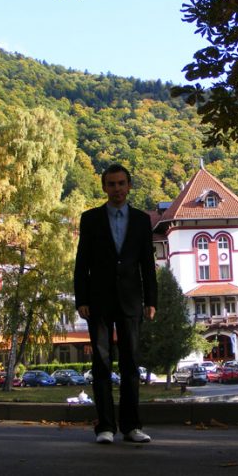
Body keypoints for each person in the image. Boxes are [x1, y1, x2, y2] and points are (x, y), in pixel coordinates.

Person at [74, 163, 158, 445]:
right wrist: (81, 299)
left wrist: (151, 300)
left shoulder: (141, 220)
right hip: (98, 301)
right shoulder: (90, 219)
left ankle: (132, 427)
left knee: (131, 364)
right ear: (104, 187)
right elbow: (82, 262)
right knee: (101, 363)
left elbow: (147, 263)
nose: (117, 189)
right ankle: (105, 427)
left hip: (131, 301)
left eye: (121, 183)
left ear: (129, 186)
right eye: (111, 184)